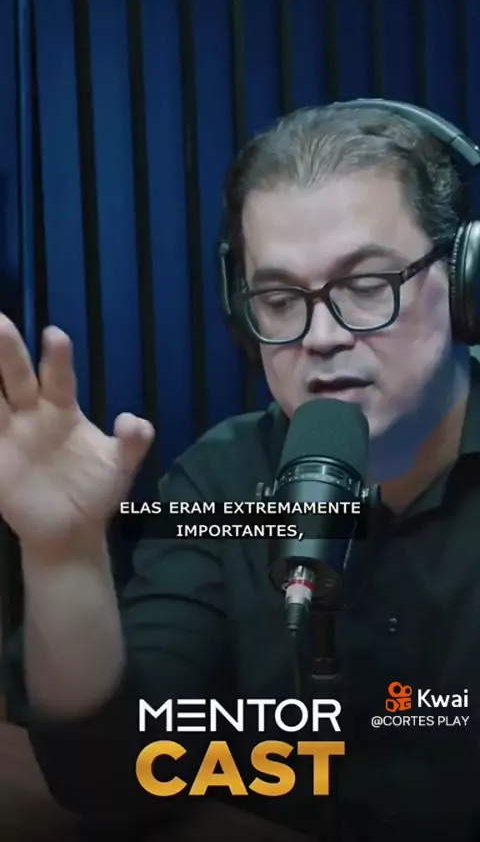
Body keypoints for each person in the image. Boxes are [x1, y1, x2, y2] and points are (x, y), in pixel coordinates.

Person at [2, 101, 480, 842]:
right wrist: (62, 559)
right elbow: (113, 777)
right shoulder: (221, 480)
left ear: (464, 283)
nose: (322, 336)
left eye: (366, 284)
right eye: (281, 300)